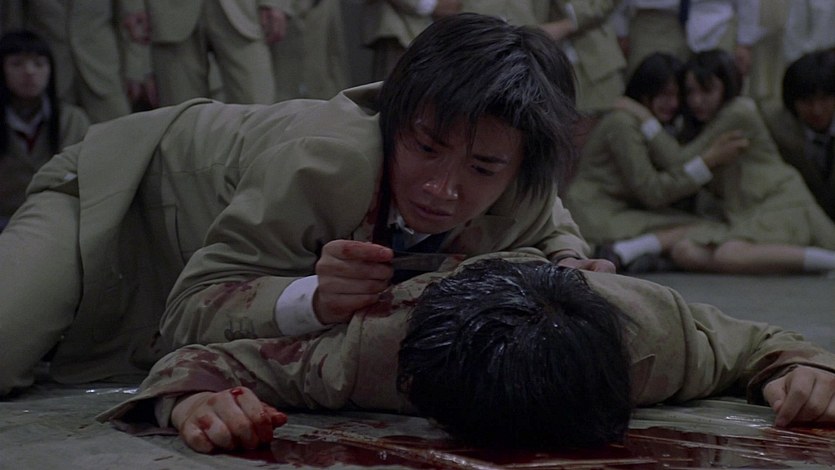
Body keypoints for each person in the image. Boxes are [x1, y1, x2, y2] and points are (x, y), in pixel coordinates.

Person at [0, 13, 612, 397]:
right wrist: (311, 299)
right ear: (394, 117)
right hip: (115, 198)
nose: (443, 189)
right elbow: (187, 306)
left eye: (482, 168)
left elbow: (550, 223)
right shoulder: (328, 158)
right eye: (427, 148)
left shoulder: (523, 177)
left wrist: (569, 264)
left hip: (209, 248)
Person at [98, 253, 835, 453]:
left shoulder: (654, 338)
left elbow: (764, 343)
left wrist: (803, 370)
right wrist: (195, 404)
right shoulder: (374, 353)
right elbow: (202, 357)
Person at [619, 49, 835, 274]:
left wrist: (645, 118)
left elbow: (678, 161)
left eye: (707, 90)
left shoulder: (737, 112)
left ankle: (829, 261)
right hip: (745, 210)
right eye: (691, 92)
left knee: (728, 254)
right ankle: (796, 263)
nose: (697, 100)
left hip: (777, 201)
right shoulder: (703, 122)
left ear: (726, 86)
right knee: (685, 251)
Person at [564, 52, 746, 271]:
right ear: (645, 93)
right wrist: (707, 162)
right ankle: (625, 251)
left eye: (677, 95)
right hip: (597, 213)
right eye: (664, 95)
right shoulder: (622, 124)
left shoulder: (654, 125)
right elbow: (652, 191)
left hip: (621, 209)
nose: (673, 103)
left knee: (699, 223)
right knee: (707, 228)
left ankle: (642, 253)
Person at [1, 0, 154, 122]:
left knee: (118, 136)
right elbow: (13, 27)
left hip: (103, 70)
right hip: (50, 73)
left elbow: (132, 21)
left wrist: (134, 70)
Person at [0, 30, 89, 231]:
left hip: (59, 219)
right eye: (17, 64)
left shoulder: (72, 119)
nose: (29, 72)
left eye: (39, 64)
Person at [121, 0, 289, 106]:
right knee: (182, 117)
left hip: (243, 9)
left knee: (258, 110)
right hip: (167, 11)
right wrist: (132, 5)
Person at [760, 49, 835, 222]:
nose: (817, 110)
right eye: (807, 101)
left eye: (825, 99)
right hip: (798, 215)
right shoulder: (774, 126)